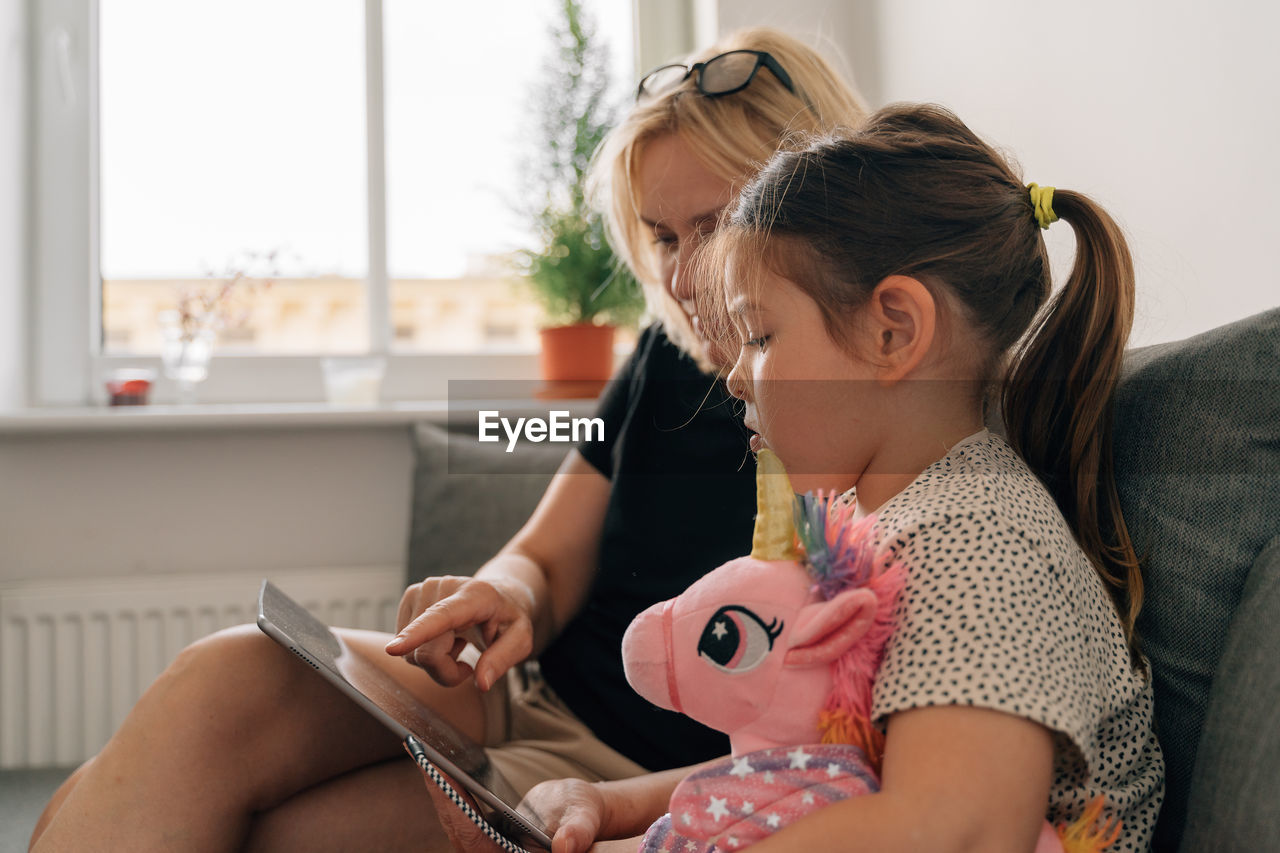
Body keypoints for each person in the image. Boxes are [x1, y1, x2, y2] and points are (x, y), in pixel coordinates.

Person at [29, 28, 868, 852]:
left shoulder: (874, 416)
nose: (683, 278)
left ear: (819, 205)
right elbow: (544, 558)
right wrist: (504, 594)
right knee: (220, 677)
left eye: (714, 226)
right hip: (516, 690)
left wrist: (609, 802)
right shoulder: (665, 354)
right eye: (663, 237)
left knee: (244, 824)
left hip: (624, 767)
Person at [509, 105, 1165, 852]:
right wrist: (608, 802)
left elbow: (950, 827)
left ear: (893, 332)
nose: (732, 375)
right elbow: (820, 766)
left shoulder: (981, 541)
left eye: (759, 335)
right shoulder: (877, 526)